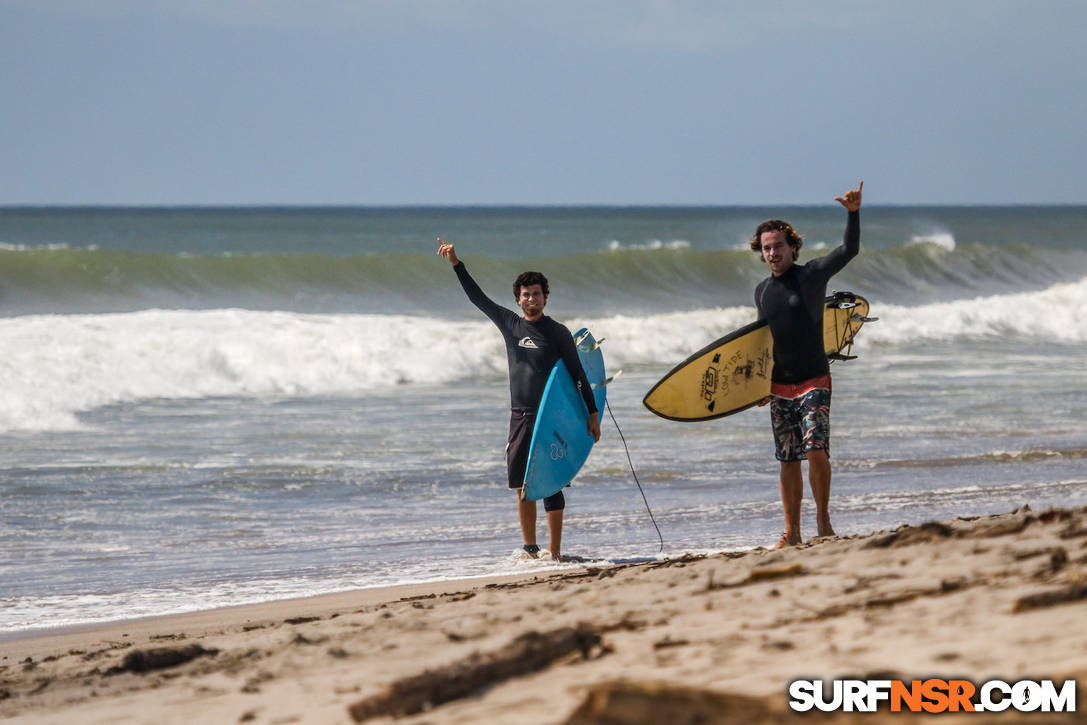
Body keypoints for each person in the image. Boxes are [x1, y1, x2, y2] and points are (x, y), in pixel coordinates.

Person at [437, 238, 601, 559]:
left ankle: (554, 554)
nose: (531, 298)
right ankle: (530, 549)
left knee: (552, 482)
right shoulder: (511, 324)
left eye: (537, 293)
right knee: (523, 485)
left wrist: (592, 413)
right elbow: (478, 298)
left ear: (545, 298)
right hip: (521, 417)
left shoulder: (558, 332)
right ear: (518, 298)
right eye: (526, 294)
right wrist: (456, 263)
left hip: (552, 415)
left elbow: (578, 374)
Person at [750, 181, 863, 548]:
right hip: (779, 384)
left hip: (814, 377)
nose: (772, 253)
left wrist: (853, 213)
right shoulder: (763, 291)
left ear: (792, 247)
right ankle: (791, 532)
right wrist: (757, 388)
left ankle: (824, 520)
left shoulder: (812, 275)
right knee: (787, 459)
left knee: (815, 448)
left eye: (778, 246)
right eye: (766, 248)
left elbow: (849, 249)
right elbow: (760, 343)